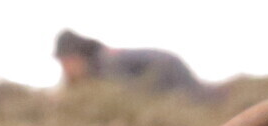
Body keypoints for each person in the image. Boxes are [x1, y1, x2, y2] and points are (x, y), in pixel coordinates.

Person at [54, 29, 206, 96]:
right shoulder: (100, 65)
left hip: (172, 75)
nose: (66, 70)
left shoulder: (108, 65)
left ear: (77, 57)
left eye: (67, 63)